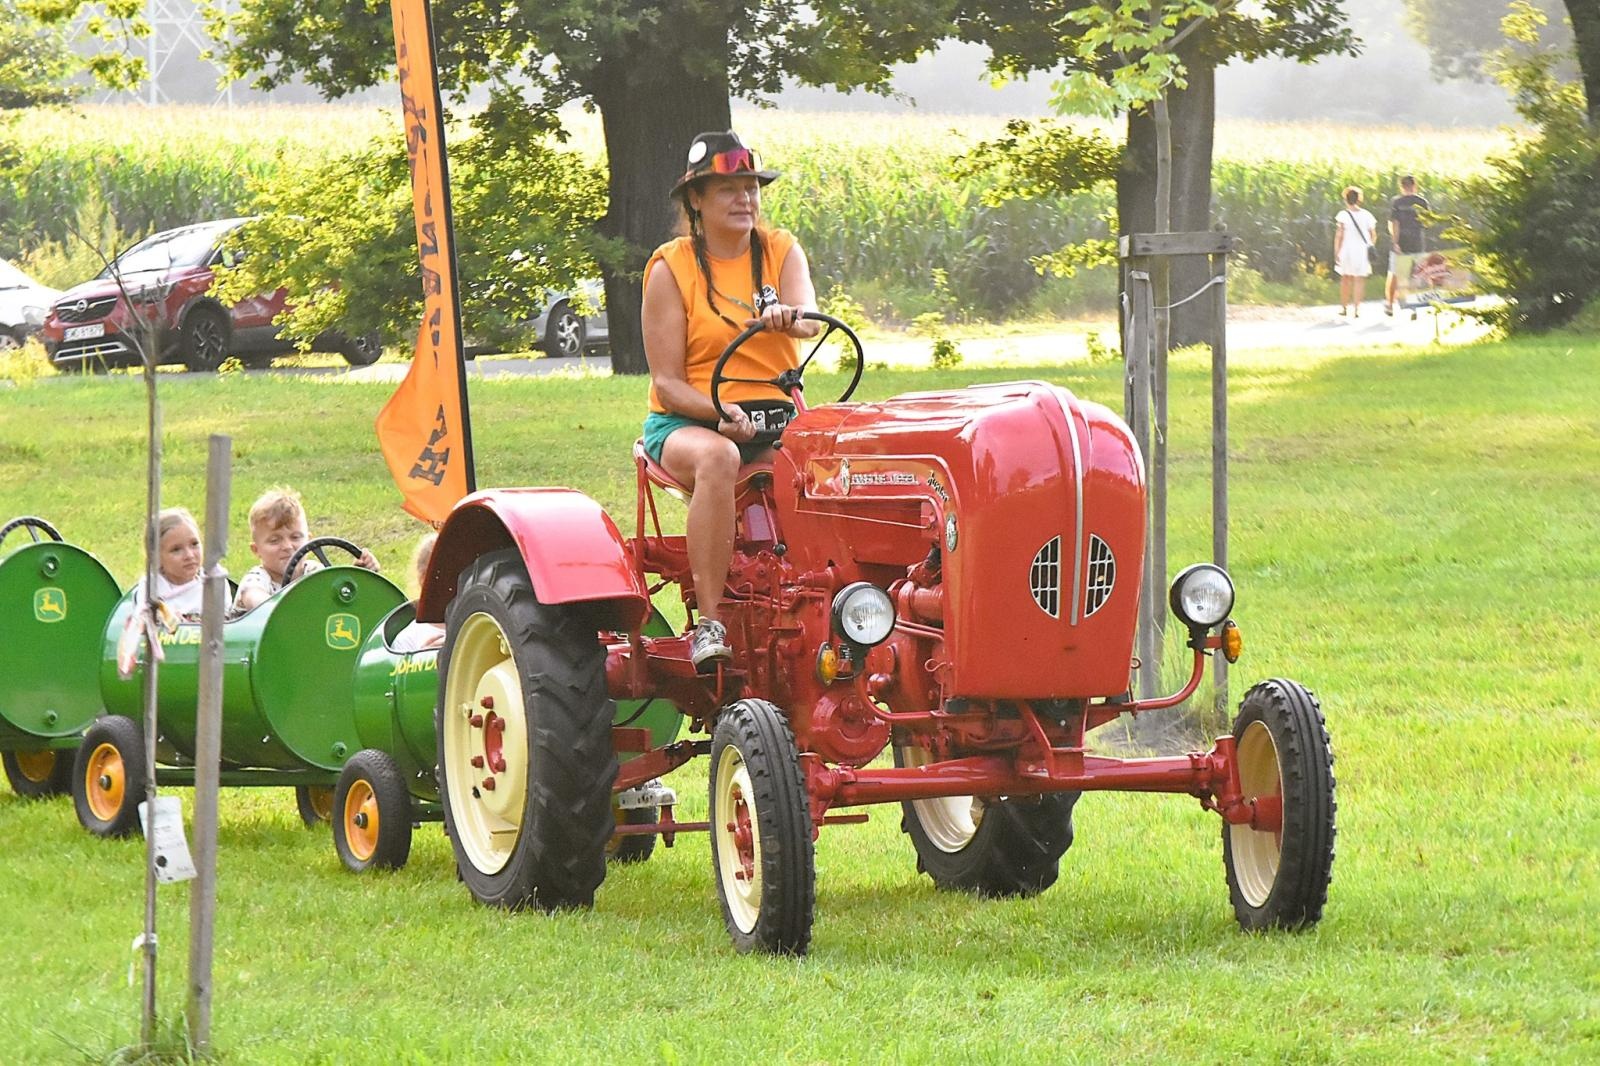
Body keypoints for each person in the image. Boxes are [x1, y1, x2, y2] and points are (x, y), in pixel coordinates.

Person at [640, 130, 821, 670]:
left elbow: (810, 319)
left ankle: (833, 606)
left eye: (751, 187)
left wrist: (789, 317)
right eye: (728, 189)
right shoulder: (670, 268)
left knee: (837, 461)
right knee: (719, 457)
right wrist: (720, 414)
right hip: (689, 422)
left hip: (776, 419)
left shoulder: (780, 249)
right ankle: (711, 622)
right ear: (696, 199)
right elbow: (667, 383)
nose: (744, 198)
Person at [228, 486, 378, 619]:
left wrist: (360, 575)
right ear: (256, 550)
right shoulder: (256, 579)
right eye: (274, 540)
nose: (287, 546)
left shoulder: (314, 572)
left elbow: (339, 600)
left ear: (309, 540)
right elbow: (256, 601)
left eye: (295, 537)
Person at [131, 507, 204, 624]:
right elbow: (143, 620)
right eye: (176, 550)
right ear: (156, 558)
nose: (189, 555)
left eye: (194, 544)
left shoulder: (214, 584)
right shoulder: (151, 587)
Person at [391, 531, 445, 653]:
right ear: (424, 579)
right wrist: (423, 657)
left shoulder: (476, 623)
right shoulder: (409, 638)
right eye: (445, 571)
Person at [1385, 175, 1430, 316]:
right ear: (1415, 186)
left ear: (1402, 187)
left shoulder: (1397, 202)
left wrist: (1395, 242)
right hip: (1417, 242)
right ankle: (1413, 306)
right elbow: (1427, 223)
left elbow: (1395, 223)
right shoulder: (1422, 202)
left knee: (1394, 274)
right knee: (1414, 274)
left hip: (1401, 242)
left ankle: (1390, 305)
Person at [1333, 185, 1378, 318]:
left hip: (1346, 249)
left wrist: (1337, 251)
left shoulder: (1343, 215)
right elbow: (1373, 234)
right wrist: (1370, 245)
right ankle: (1357, 308)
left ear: (1346, 199)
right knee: (1359, 280)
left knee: (1345, 279)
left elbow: (1339, 235)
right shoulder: (1367, 215)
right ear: (1359, 199)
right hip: (1362, 251)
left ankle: (1344, 307)